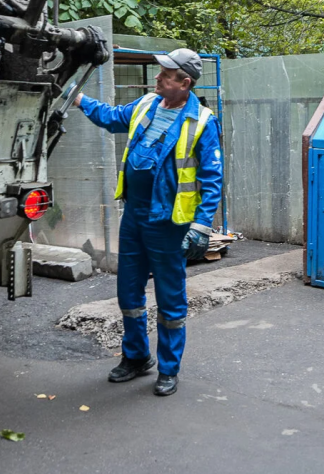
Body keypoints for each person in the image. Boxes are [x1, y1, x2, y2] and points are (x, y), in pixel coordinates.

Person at [74, 48, 223, 396]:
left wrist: (201, 226)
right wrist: (79, 99)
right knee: (128, 290)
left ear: (185, 83)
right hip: (135, 215)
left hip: (168, 222)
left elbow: (213, 177)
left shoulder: (201, 120)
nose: (157, 78)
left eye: (166, 75)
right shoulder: (145, 105)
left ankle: (169, 368)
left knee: (170, 299)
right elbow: (111, 117)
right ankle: (136, 357)